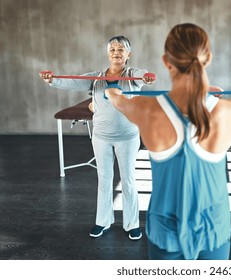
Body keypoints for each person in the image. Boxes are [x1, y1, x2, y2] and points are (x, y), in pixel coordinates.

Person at [105, 23, 231, 260]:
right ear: (207, 58)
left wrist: (112, 91)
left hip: (164, 232)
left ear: (166, 61)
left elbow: (117, 99)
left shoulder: (147, 110)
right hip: (213, 230)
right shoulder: (227, 112)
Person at [39, 36, 155, 240]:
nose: (116, 52)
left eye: (121, 49)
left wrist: (147, 78)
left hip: (127, 137)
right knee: (104, 179)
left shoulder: (132, 75)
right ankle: (102, 221)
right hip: (101, 137)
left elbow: (142, 75)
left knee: (128, 181)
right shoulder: (97, 77)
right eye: (112, 49)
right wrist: (52, 80)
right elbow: (73, 81)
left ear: (129, 54)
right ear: (108, 53)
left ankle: (132, 224)